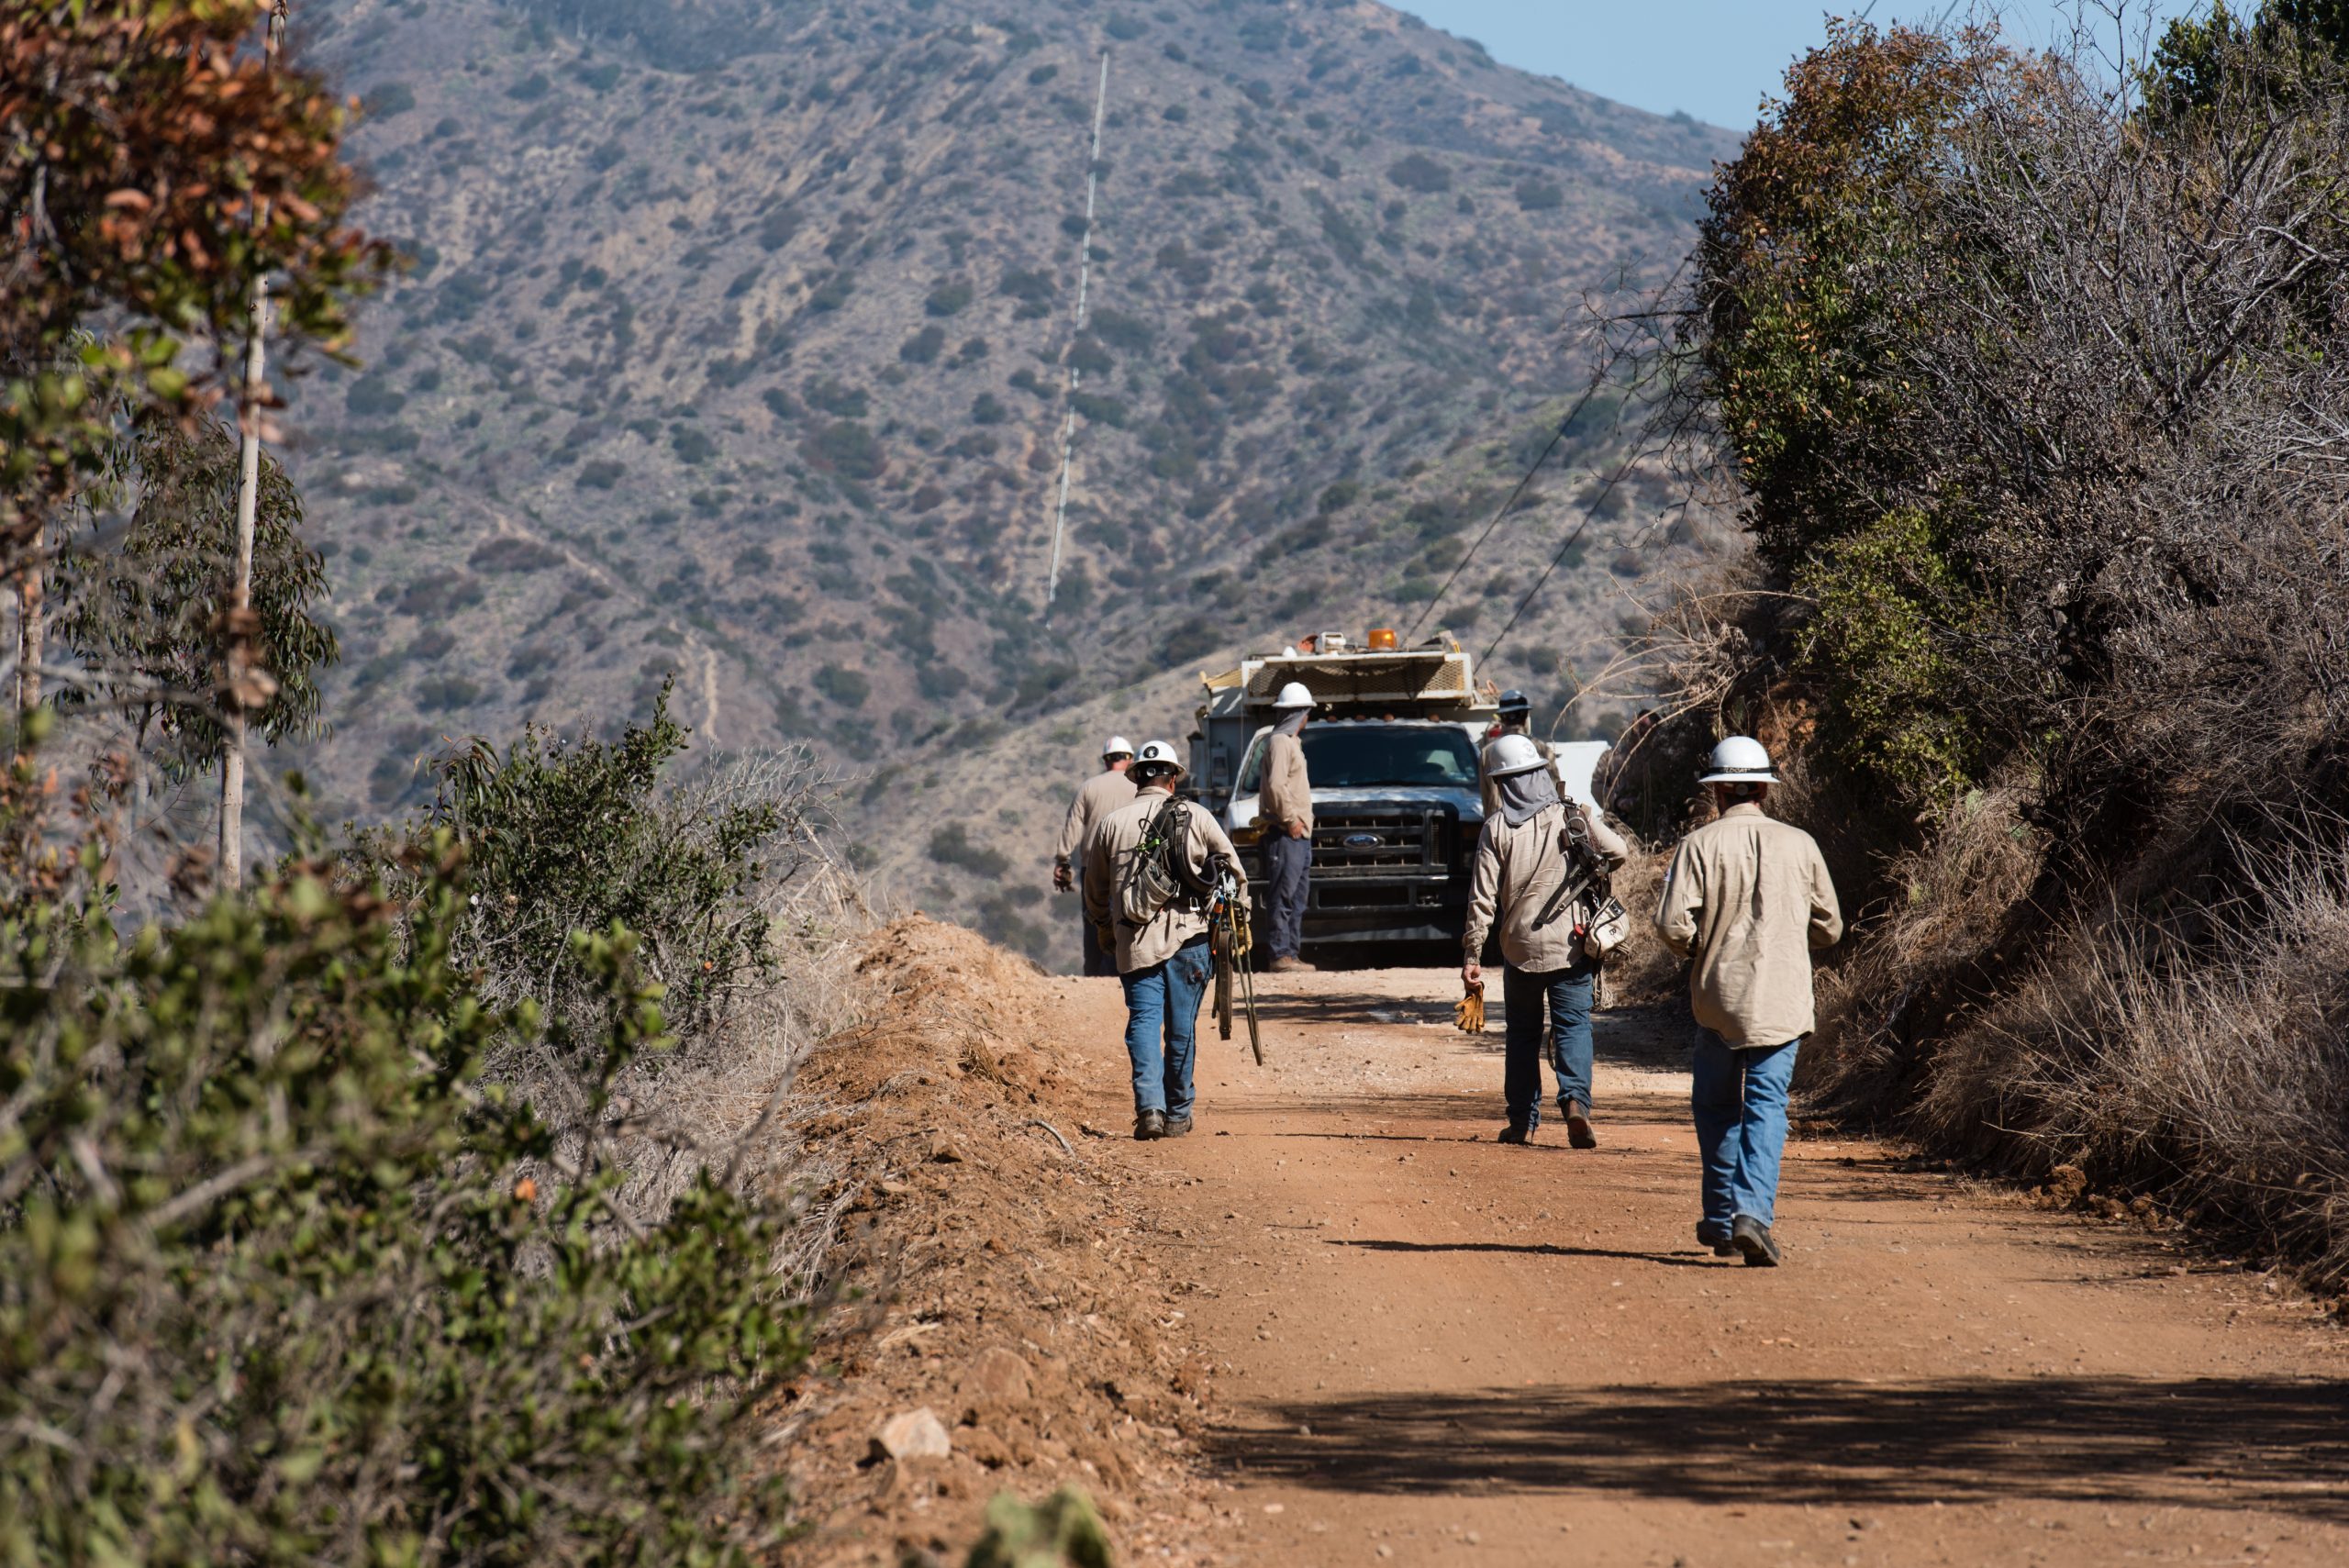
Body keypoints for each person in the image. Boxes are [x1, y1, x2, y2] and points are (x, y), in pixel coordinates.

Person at [1653, 736, 1843, 1267]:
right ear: (1764, 788)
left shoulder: (1697, 846)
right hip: (1781, 1001)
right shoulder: (1801, 844)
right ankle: (1750, 1216)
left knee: (1716, 1107)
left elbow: (1671, 925)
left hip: (1718, 999)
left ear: (1716, 793)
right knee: (1766, 1106)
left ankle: (1718, 1219)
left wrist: (1701, 946)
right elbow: (1830, 928)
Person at [1462, 733, 1631, 1147]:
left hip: (1518, 949)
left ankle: (1522, 1122)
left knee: (1522, 1035)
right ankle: (1575, 1105)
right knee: (1573, 1026)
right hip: (1570, 944)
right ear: (1539, 772)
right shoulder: (1571, 815)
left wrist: (1472, 952)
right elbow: (1619, 852)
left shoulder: (1496, 827)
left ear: (1503, 783)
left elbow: (1481, 898)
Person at [1085, 740, 1241, 1140]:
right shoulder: (1198, 816)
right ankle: (1177, 1114)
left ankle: (1149, 1110)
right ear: (1173, 779)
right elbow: (1233, 873)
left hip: (1133, 940)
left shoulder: (1111, 824)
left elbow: (1094, 891)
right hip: (1190, 939)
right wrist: (1243, 919)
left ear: (1136, 778)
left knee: (1142, 1022)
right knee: (1181, 1028)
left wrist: (1105, 928)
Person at [1052, 736, 1137, 977]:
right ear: (1129, 759)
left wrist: (1063, 861)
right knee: (1130, 918)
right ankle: (1129, 971)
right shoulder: (1138, 786)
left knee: (1094, 921)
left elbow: (1073, 826)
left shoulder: (1088, 787)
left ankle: (1094, 976)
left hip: (1093, 868)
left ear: (1105, 759)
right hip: (1130, 866)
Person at [1257, 682, 1317, 974]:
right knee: (1282, 895)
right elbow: (1276, 785)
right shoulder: (1280, 742)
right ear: (1299, 713)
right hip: (1286, 833)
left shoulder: (1291, 742)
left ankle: (1290, 953)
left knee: (1296, 897)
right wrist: (1291, 819)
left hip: (1300, 835)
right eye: (1305, 712)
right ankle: (1280, 953)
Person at [1479, 689, 1553, 819]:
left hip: (1500, 825)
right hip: (1540, 823)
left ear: (1502, 718)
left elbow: (1486, 797)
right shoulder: (1541, 749)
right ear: (1525, 716)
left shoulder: (1487, 752)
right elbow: (1555, 789)